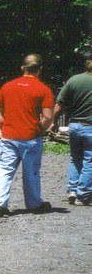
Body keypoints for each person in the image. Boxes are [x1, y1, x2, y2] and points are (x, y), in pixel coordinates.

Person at [0, 54, 54, 218]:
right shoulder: (44, 89)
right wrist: (41, 130)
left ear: (22, 68)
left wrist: (3, 125)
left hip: (9, 135)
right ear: (40, 69)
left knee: (4, 169)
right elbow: (47, 117)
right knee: (31, 171)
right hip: (30, 136)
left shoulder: (8, 86)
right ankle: (34, 204)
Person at [51, 56, 92, 206]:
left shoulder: (73, 80)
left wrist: (53, 122)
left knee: (75, 158)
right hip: (90, 126)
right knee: (90, 160)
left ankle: (72, 191)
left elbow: (59, 105)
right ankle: (84, 195)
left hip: (74, 125)